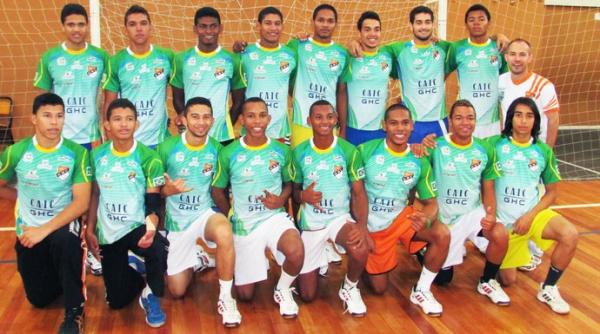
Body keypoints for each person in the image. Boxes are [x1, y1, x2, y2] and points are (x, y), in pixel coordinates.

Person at [0, 93, 90, 334]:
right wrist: (21, 198)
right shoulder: (16, 152)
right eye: (47, 116)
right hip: (30, 230)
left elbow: (81, 202)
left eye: (59, 116)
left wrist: (45, 229)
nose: (54, 122)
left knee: (66, 241)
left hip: (61, 225)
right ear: (33, 119)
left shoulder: (76, 153)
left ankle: (75, 311)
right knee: (39, 300)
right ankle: (62, 277)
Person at [211, 97, 305, 318]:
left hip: (274, 218)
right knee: (245, 295)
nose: (257, 121)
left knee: (296, 251)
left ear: (269, 119)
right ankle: (255, 260)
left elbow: (289, 183)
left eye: (262, 115)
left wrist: (281, 199)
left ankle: (282, 289)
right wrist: (230, 215)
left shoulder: (281, 150)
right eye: (251, 115)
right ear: (241, 120)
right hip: (245, 223)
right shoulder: (229, 152)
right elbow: (217, 190)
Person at [33, 2, 106, 276]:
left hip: (89, 140)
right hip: (59, 141)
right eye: (71, 24)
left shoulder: (100, 57)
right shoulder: (50, 57)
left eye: (81, 24)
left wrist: (103, 132)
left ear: (87, 26)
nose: (76, 29)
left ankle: (91, 246)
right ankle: (64, 247)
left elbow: (107, 97)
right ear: (63, 26)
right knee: (64, 196)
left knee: (92, 194)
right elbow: (41, 102)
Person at [359, 103, 450, 316]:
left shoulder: (419, 159)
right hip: (373, 226)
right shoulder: (366, 151)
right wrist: (359, 227)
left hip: (402, 219)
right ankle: (363, 261)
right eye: (394, 123)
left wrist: (426, 219)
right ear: (384, 126)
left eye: (405, 123)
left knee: (442, 233)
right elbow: (352, 193)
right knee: (379, 289)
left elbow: (432, 202)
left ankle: (421, 290)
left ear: (412, 126)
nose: (400, 128)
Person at [157, 97, 241, 327]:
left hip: (204, 215)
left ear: (213, 120)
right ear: (183, 119)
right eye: (195, 116)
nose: (201, 122)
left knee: (224, 231)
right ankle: (200, 257)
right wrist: (167, 190)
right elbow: (154, 192)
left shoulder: (217, 150)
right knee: (176, 290)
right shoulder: (166, 147)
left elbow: (225, 188)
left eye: (206, 117)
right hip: (177, 223)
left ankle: (226, 297)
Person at [86, 98, 168, 328]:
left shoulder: (148, 157)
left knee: (157, 247)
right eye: (118, 119)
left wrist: (151, 230)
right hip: (108, 233)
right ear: (107, 125)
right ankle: (133, 268)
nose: (124, 124)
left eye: (129, 119)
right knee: (117, 301)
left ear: (137, 124)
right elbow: (94, 195)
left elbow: (153, 203)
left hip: (136, 227)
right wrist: (90, 229)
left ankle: (150, 294)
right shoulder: (96, 156)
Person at [493, 97, 577, 314]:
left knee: (570, 234)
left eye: (529, 116)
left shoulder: (543, 151)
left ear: (536, 121)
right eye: (518, 115)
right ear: (510, 118)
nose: (523, 121)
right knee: (508, 280)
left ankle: (548, 287)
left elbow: (552, 193)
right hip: (506, 223)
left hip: (532, 215)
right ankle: (498, 250)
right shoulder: (495, 145)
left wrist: (529, 216)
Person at [425, 99, 510, 306]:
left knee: (499, 234)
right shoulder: (436, 146)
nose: (465, 122)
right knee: (443, 280)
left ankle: (488, 281)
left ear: (475, 121)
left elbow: (488, 187)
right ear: (451, 121)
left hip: (472, 214)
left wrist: (490, 213)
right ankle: (424, 249)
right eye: (459, 118)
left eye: (470, 118)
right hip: (444, 219)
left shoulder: (484, 149)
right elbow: (421, 183)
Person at [292, 100, 371, 316]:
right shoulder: (299, 152)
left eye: (329, 116)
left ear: (336, 119)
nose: (324, 121)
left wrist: (362, 226)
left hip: (339, 218)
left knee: (359, 246)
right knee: (307, 295)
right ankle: (320, 255)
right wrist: (302, 195)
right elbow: (293, 192)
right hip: (312, 223)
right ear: (309, 121)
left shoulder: (348, 151)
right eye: (318, 117)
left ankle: (350, 287)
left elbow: (358, 192)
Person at [102, 5, 174, 148]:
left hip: (160, 141)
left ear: (150, 27)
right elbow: (109, 103)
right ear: (125, 30)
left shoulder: (167, 57)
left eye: (143, 23)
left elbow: (182, 90)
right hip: (128, 143)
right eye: (132, 24)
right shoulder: (116, 61)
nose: (139, 28)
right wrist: (112, 141)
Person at [170, 6, 244, 143]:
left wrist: (227, 124)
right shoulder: (181, 59)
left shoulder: (232, 59)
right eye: (203, 26)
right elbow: (177, 99)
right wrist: (189, 122)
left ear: (220, 28)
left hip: (222, 135)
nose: (208, 31)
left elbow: (239, 100)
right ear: (195, 29)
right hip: (191, 135)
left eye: (213, 26)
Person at [446, 4, 508, 138]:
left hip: (492, 122)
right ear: (466, 24)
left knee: (491, 158)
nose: (476, 23)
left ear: (489, 23)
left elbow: (507, 81)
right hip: (464, 121)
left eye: (481, 19)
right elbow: (442, 76)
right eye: (471, 19)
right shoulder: (457, 48)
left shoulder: (499, 48)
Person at [238, 6, 297, 143]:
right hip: (251, 129)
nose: (273, 28)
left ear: (282, 26)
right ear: (259, 25)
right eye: (268, 23)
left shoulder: (291, 54)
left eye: (277, 24)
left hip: (280, 130)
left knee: (280, 164)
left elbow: (293, 87)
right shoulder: (245, 54)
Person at [338, 11, 394, 146]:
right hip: (353, 130)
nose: (372, 34)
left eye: (377, 29)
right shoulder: (349, 58)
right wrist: (343, 129)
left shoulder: (388, 56)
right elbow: (341, 92)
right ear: (360, 33)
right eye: (367, 30)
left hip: (379, 131)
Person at [499, 39, 559, 147]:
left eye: (522, 55)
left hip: (535, 149)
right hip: (508, 148)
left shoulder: (544, 86)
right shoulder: (499, 81)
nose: (517, 59)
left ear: (530, 58)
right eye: (513, 54)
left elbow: (553, 119)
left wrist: (548, 151)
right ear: (506, 57)